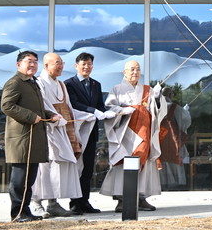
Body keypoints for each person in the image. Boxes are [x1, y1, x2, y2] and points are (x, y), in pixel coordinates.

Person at [30, 53, 97, 218]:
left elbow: (68, 108)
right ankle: (36, 202)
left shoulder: (60, 84)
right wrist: (54, 117)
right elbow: (42, 106)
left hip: (63, 130)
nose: (60, 66)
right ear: (46, 66)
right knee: (43, 167)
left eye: (61, 63)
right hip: (47, 130)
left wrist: (85, 116)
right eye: (56, 63)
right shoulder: (39, 83)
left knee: (57, 168)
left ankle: (52, 203)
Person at [1, 50, 61, 223]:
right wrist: (29, 116)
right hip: (22, 139)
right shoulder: (15, 82)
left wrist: (50, 115)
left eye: (35, 61)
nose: (33, 64)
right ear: (18, 64)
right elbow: (6, 105)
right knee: (19, 180)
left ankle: (25, 211)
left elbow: (38, 110)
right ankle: (18, 213)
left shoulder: (33, 83)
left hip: (34, 139)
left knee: (29, 180)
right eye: (29, 61)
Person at [101, 60, 161, 213]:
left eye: (138, 69)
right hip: (125, 132)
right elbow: (109, 107)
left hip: (143, 131)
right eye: (132, 69)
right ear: (124, 72)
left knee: (143, 161)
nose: (135, 72)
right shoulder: (116, 89)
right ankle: (122, 199)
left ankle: (141, 197)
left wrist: (157, 97)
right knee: (123, 162)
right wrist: (122, 111)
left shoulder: (147, 90)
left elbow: (156, 110)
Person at [64, 52, 114, 215]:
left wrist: (109, 112)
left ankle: (85, 201)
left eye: (90, 64)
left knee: (87, 168)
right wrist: (93, 111)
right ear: (76, 66)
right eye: (83, 64)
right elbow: (73, 104)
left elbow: (100, 105)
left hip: (91, 132)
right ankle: (74, 202)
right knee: (76, 168)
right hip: (77, 132)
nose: (87, 67)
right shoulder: (69, 84)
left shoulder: (96, 84)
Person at [157, 86, 191, 190]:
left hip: (160, 138)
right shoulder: (174, 107)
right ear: (170, 95)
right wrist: (186, 111)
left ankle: (162, 183)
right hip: (172, 138)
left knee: (162, 159)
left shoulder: (156, 106)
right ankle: (176, 183)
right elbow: (185, 121)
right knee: (173, 158)